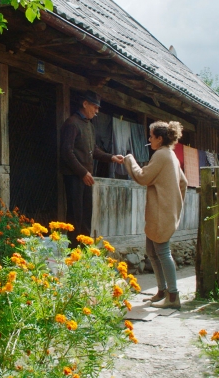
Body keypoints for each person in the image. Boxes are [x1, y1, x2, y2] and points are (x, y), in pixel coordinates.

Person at [123, 121, 187, 309]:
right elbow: (184, 182)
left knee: (163, 252)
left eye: (151, 136)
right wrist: (175, 202)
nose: (149, 139)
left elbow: (143, 177)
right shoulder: (171, 155)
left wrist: (129, 159)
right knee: (152, 251)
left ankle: (173, 296)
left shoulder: (161, 155)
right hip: (164, 210)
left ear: (159, 138)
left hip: (161, 212)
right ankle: (162, 291)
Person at [60, 91, 124, 246]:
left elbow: (94, 150)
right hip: (74, 176)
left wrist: (111, 157)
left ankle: (85, 249)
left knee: (86, 214)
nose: (97, 111)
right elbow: (66, 152)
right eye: (95, 107)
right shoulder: (72, 123)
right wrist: (82, 172)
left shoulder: (90, 126)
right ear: (85, 104)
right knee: (75, 214)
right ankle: (74, 250)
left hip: (86, 176)